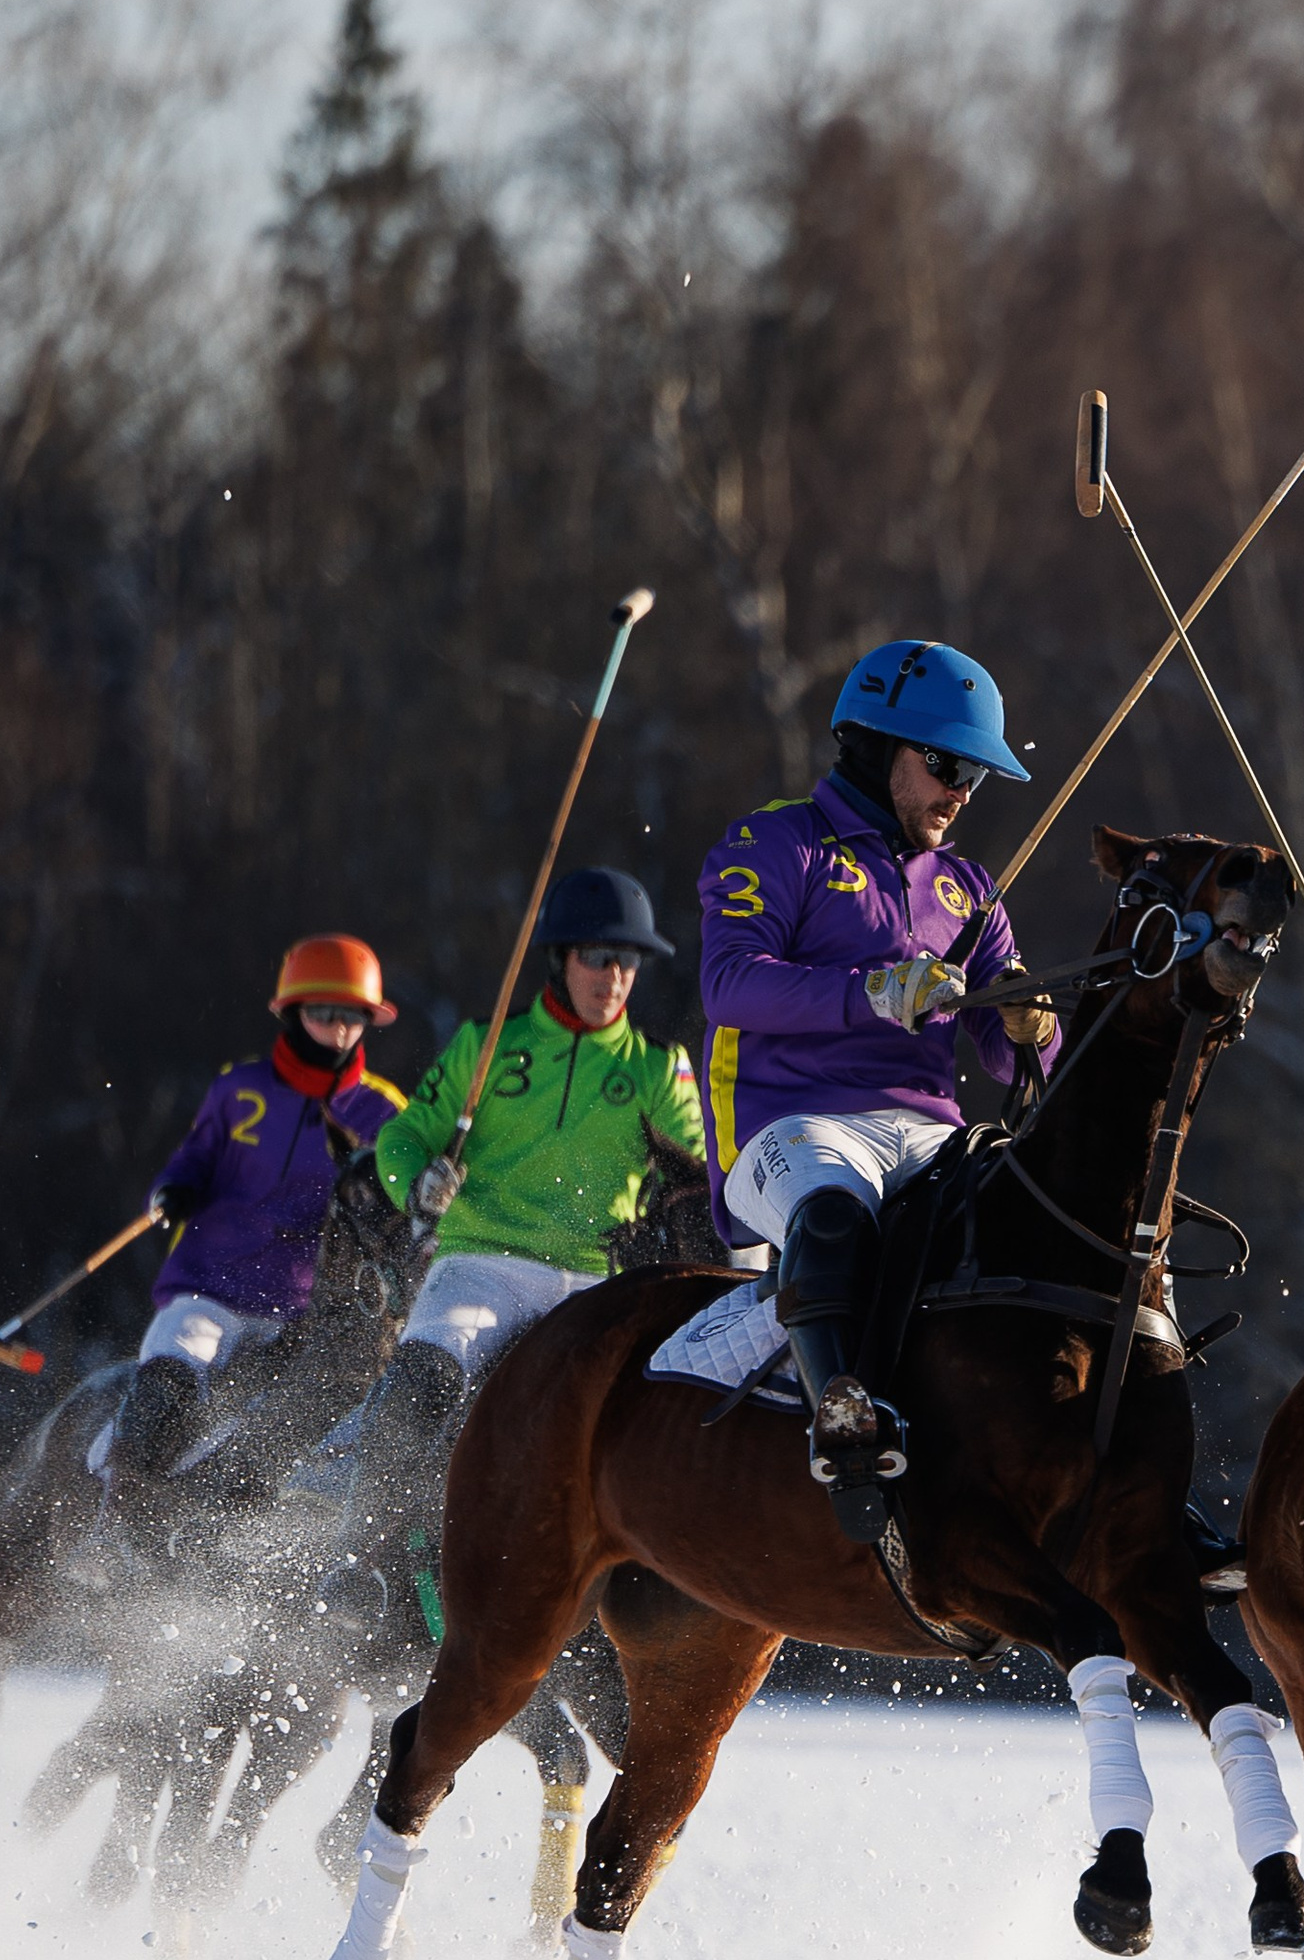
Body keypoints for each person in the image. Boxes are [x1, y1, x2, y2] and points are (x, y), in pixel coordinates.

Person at [697, 638, 1058, 1543]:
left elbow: (1015, 1069)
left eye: (976, 774)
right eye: (947, 764)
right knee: (831, 1218)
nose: (962, 792)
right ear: (875, 745)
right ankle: (845, 1428)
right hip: (791, 1125)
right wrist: (870, 993)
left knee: (1043, 1222)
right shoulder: (776, 842)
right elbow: (729, 984)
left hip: (928, 1132)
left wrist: (1034, 1028)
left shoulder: (973, 892)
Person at [345, 868, 706, 1580]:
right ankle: (364, 1563)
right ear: (558, 958)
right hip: (482, 1266)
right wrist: (416, 1182)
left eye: (629, 962)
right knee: (418, 1380)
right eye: (599, 958)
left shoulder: (659, 1071)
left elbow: (701, 1173)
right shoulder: (486, 1047)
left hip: (596, 1287)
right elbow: (402, 1137)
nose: (615, 978)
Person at [111, 936, 407, 1539]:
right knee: (165, 1386)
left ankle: (228, 1545)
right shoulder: (237, 1089)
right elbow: (191, 1159)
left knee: (302, 1428)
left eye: (354, 1018)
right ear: (293, 1013)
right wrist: (174, 1189)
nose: (340, 1032)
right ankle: (113, 1525)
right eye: (325, 1014)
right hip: (209, 1291)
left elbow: (400, 1212)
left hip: (305, 1312)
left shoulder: (383, 1114)